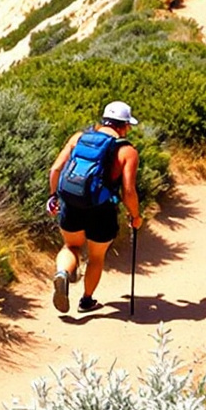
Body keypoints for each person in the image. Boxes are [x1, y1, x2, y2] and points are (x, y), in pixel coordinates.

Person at [48, 102, 143, 316]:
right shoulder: (127, 151)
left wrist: (53, 196)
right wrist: (135, 216)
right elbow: (128, 192)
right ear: (125, 125)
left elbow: (55, 169)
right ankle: (86, 300)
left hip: (72, 203)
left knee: (71, 246)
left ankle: (63, 273)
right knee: (96, 257)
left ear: (103, 120)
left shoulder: (78, 138)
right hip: (102, 209)